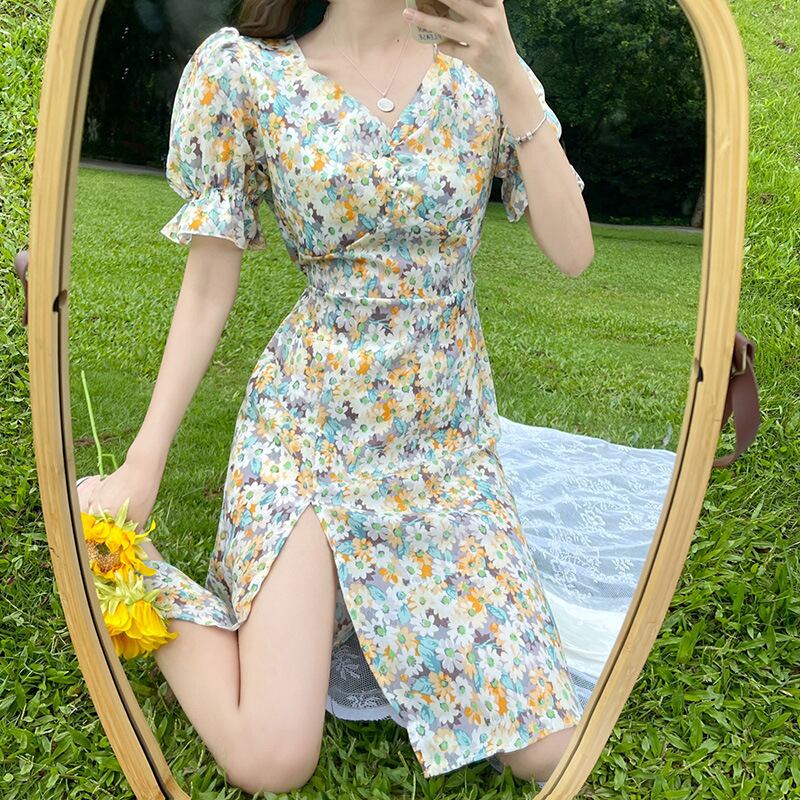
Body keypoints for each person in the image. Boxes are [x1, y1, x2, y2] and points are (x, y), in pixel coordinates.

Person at [78, 0, 593, 793]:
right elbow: (208, 286)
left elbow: (574, 252)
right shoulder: (245, 72)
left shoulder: (479, 69)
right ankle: (117, 565)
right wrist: (144, 462)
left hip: (443, 446)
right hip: (309, 435)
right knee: (271, 756)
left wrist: (512, 79)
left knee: (549, 751)